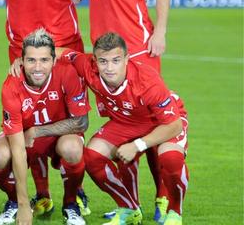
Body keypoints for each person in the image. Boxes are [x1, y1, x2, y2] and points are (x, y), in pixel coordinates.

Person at [77, 0, 172, 221]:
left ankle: (163, 196)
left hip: (139, 51)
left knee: (151, 123)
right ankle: (131, 205)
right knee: (122, 125)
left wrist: (159, 32)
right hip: (105, 57)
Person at [61, 33, 188, 225]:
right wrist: (23, 59)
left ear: (127, 59)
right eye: (103, 61)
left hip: (162, 121)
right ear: (95, 60)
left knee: (170, 158)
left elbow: (173, 125)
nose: (109, 68)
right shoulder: (87, 66)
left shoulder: (147, 81)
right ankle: (129, 208)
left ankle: (174, 212)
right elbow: (63, 53)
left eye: (116, 61)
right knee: (92, 157)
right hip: (126, 121)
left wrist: (137, 145)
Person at [0, 29, 89, 225]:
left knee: (72, 148)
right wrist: (24, 203)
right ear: (21, 61)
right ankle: (14, 201)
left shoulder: (68, 73)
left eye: (44, 60)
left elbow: (81, 122)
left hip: (58, 135)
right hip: (23, 136)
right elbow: (18, 149)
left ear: (54, 60)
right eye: (31, 60)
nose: (38, 67)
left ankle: (71, 204)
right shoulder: (11, 86)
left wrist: (38, 131)